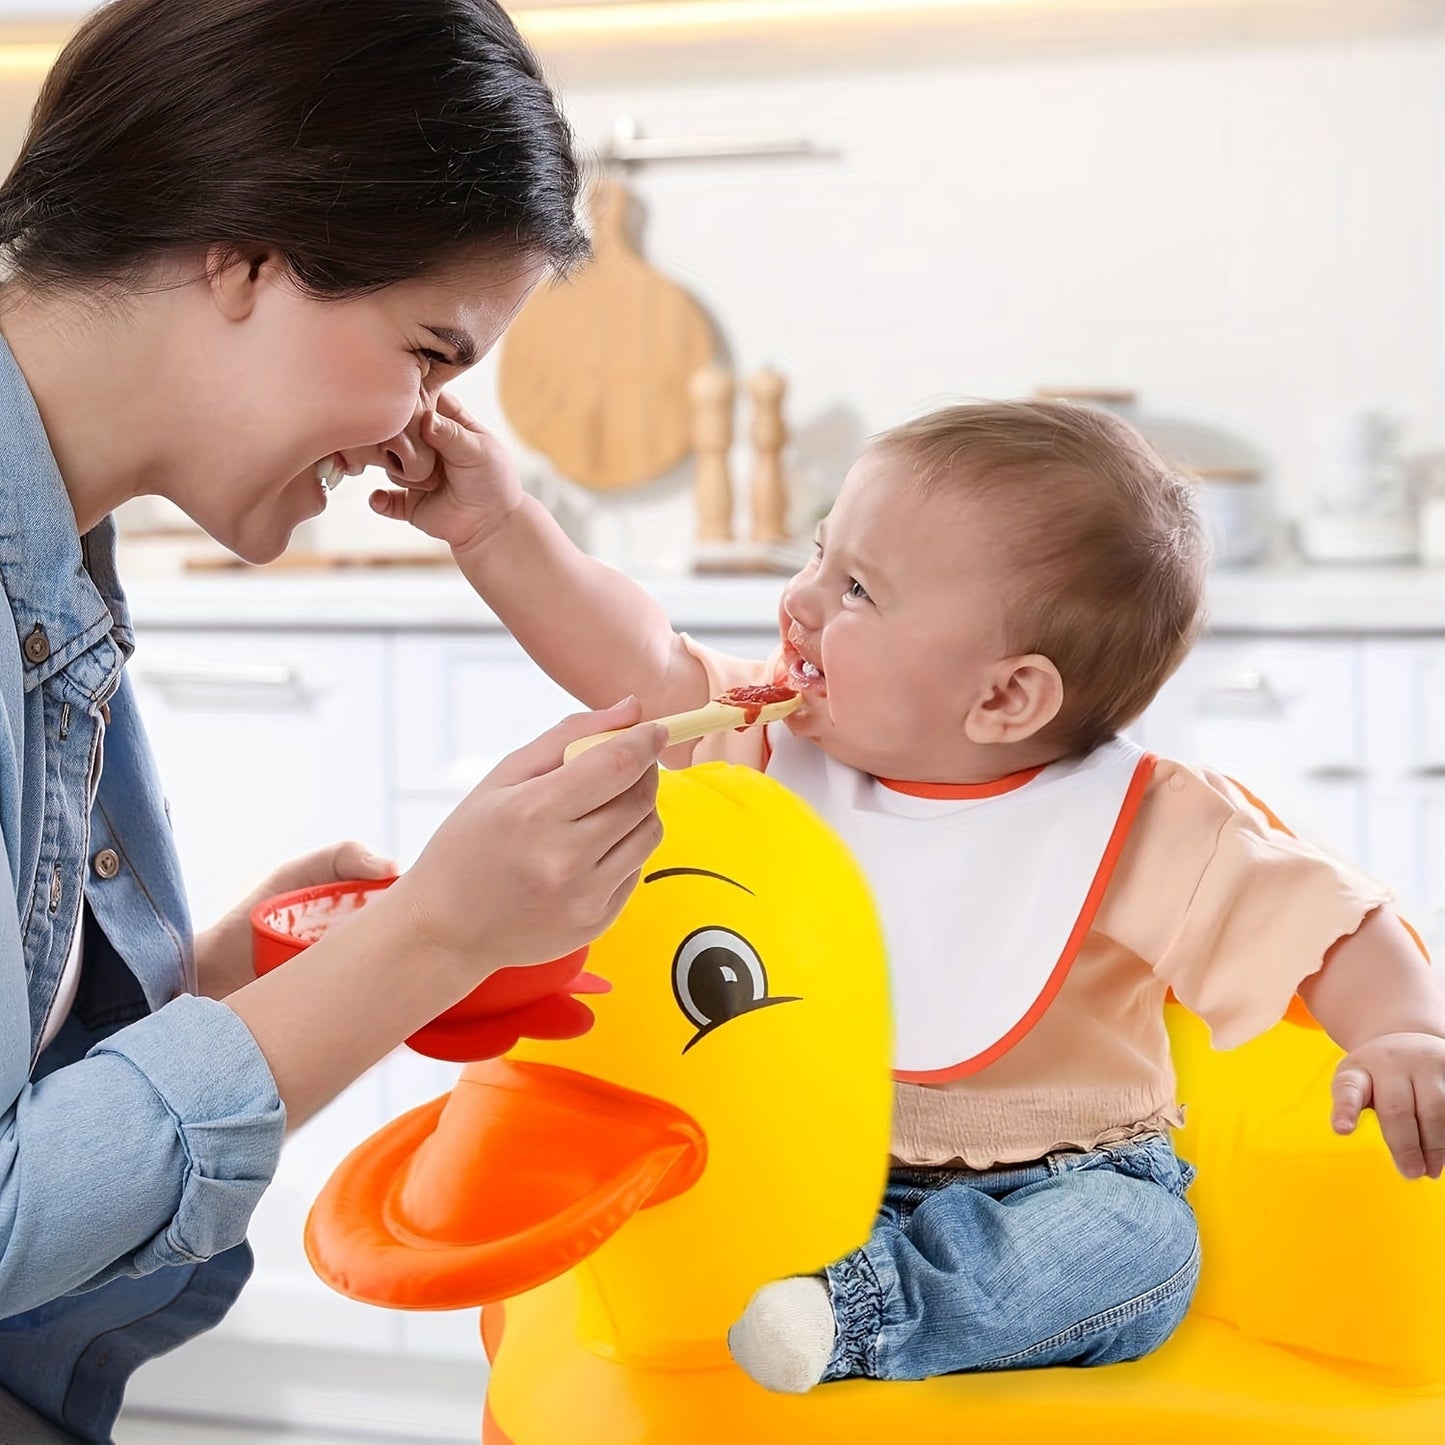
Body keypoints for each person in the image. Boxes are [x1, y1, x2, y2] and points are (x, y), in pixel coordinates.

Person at [379, 390, 1445, 1395]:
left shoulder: (1150, 822)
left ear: (1005, 694)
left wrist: (1400, 1032)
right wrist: (497, 526)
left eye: (855, 590)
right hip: (816, 1170)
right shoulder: (770, 744)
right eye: (816, 553)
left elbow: (1332, 921)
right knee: (697, 1180)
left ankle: (850, 1316)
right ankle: (807, 1300)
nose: (797, 601)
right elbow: (637, 653)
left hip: (1059, 1183)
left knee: (1144, 1247)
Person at [0, 2, 667, 1439]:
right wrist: (432, 934)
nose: (411, 431)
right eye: (428, 350)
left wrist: (234, 975)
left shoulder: (56, 555)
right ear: (240, 253)